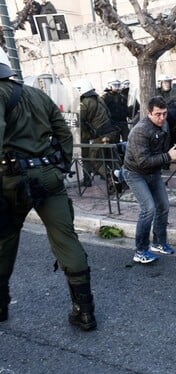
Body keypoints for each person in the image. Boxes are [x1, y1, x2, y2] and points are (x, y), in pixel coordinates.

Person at [0, 49, 96, 330]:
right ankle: (85, 312)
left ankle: (1, 306)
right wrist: (61, 167)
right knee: (66, 240)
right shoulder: (37, 95)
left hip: (10, 180)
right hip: (48, 178)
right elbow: (65, 133)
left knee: (4, 241)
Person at [123, 96, 176, 264]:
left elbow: (160, 145)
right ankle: (140, 250)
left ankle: (159, 242)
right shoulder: (139, 130)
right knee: (148, 209)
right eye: (157, 114)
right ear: (149, 113)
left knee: (163, 206)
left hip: (153, 172)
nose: (162, 118)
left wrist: (171, 150)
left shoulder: (164, 123)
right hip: (135, 173)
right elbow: (142, 161)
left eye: (164, 114)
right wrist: (168, 156)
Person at [73, 79, 120, 187]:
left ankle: (110, 178)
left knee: (95, 158)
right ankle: (121, 177)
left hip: (100, 135)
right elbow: (108, 113)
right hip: (111, 132)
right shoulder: (99, 99)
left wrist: (88, 133)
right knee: (111, 157)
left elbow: (80, 121)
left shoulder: (84, 103)